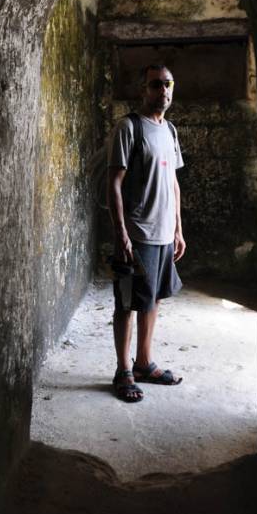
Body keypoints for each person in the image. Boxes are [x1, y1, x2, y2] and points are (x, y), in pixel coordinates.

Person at [107, 63, 186, 402]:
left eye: (168, 84)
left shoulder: (170, 130)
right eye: (156, 84)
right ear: (144, 89)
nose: (163, 90)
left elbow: (173, 182)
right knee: (127, 302)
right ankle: (123, 370)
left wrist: (178, 228)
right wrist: (121, 233)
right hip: (137, 233)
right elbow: (114, 183)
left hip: (164, 234)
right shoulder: (129, 127)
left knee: (152, 299)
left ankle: (143, 363)